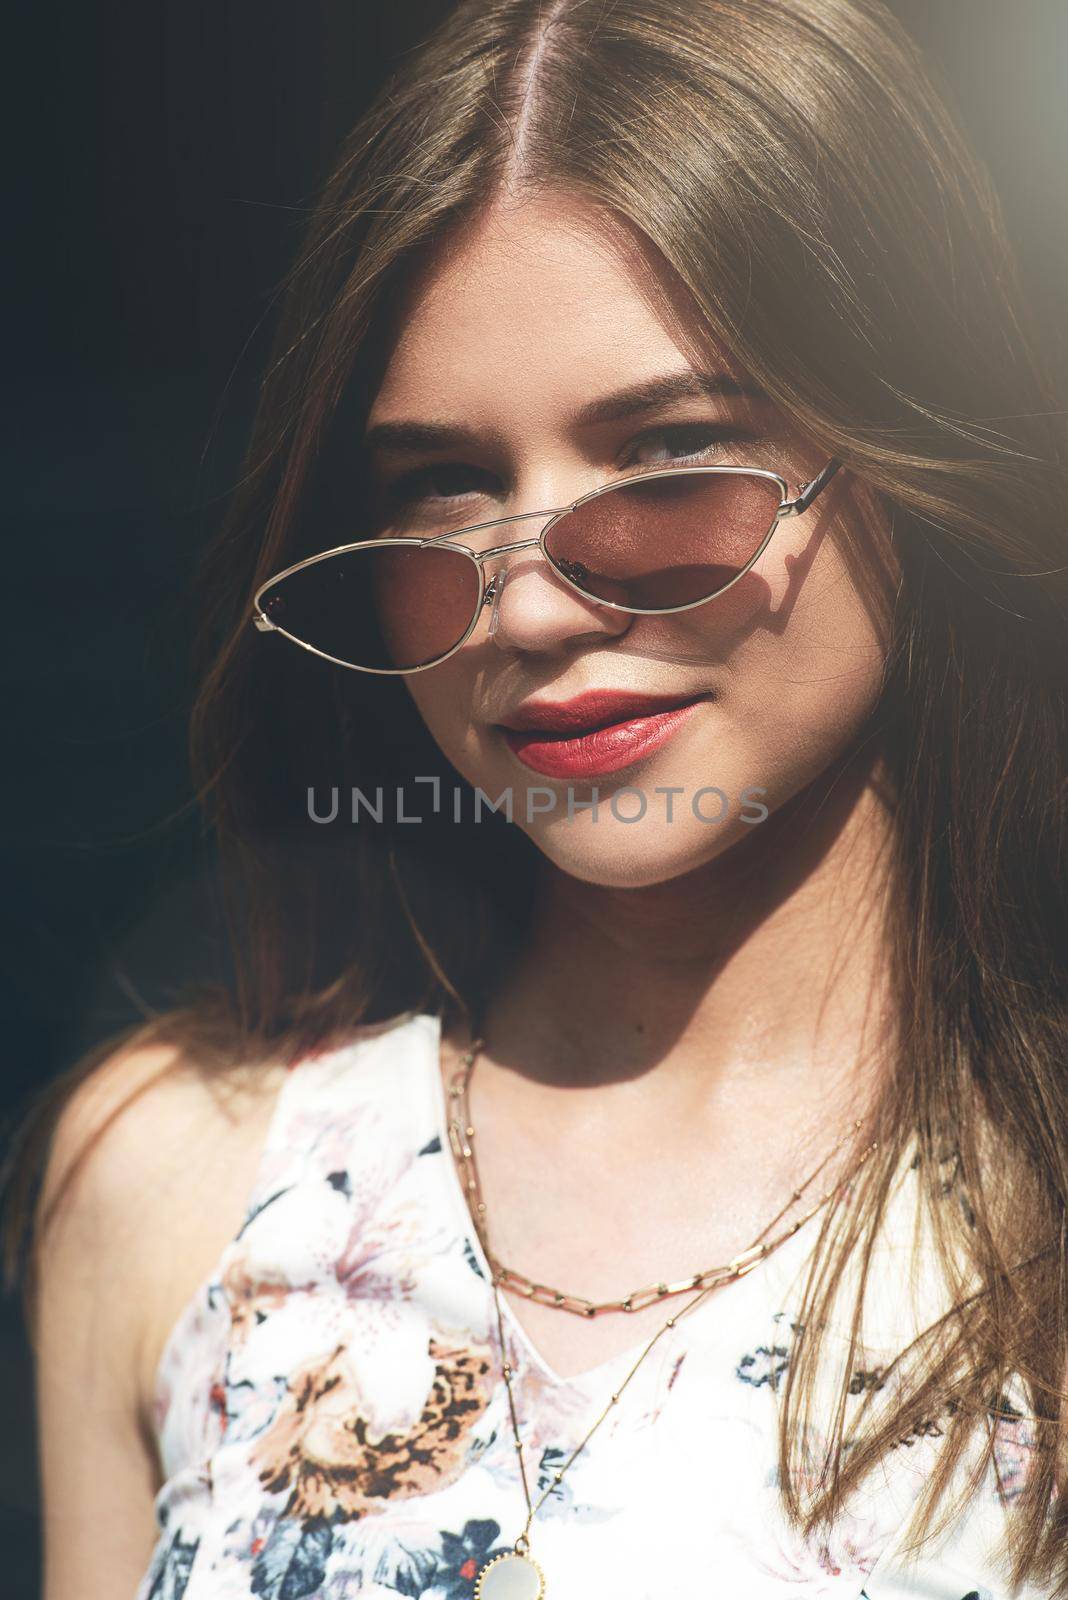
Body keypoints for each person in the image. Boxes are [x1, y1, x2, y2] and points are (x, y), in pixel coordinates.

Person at [5, 0, 1066, 1596]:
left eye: (669, 458)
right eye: (442, 485)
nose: (528, 609)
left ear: (911, 457)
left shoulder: (1033, 1217)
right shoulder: (173, 1178)